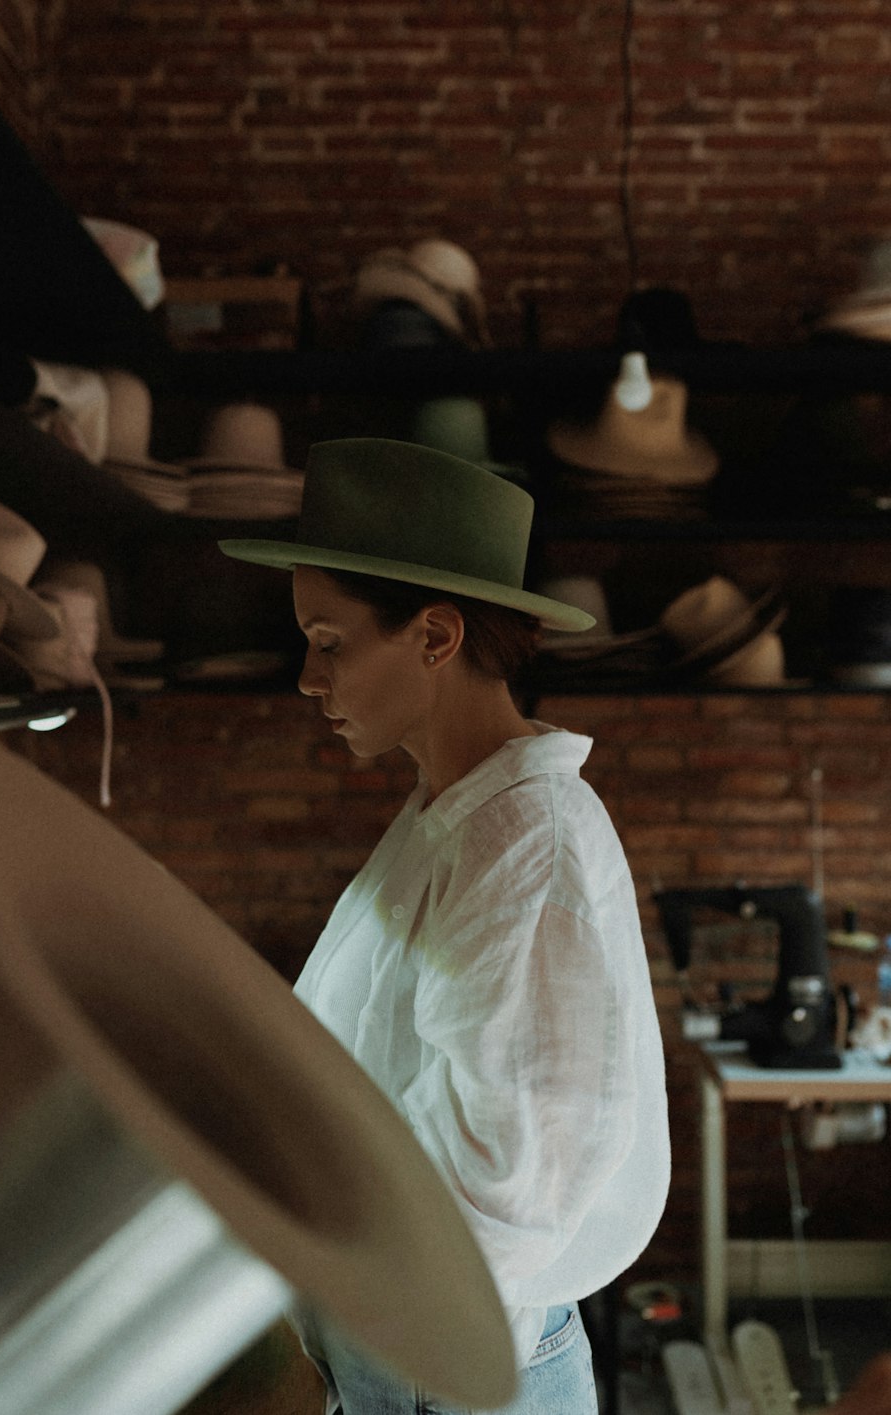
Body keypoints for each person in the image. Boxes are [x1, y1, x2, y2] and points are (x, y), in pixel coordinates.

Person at [219, 438, 671, 1415]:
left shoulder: (525, 845)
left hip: (447, 1369)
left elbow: (510, 1193)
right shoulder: (454, 814)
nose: (308, 676)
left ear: (434, 637)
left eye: (330, 641)